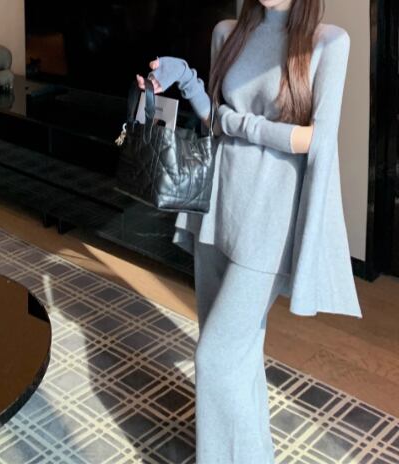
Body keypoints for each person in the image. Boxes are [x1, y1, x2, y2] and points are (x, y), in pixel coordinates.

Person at [136, 0, 363, 462]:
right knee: (238, 356)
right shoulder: (227, 32)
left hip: (269, 222)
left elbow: (315, 140)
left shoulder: (328, 43)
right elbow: (213, 121)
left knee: (215, 359)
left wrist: (234, 122)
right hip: (218, 209)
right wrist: (186, 79)